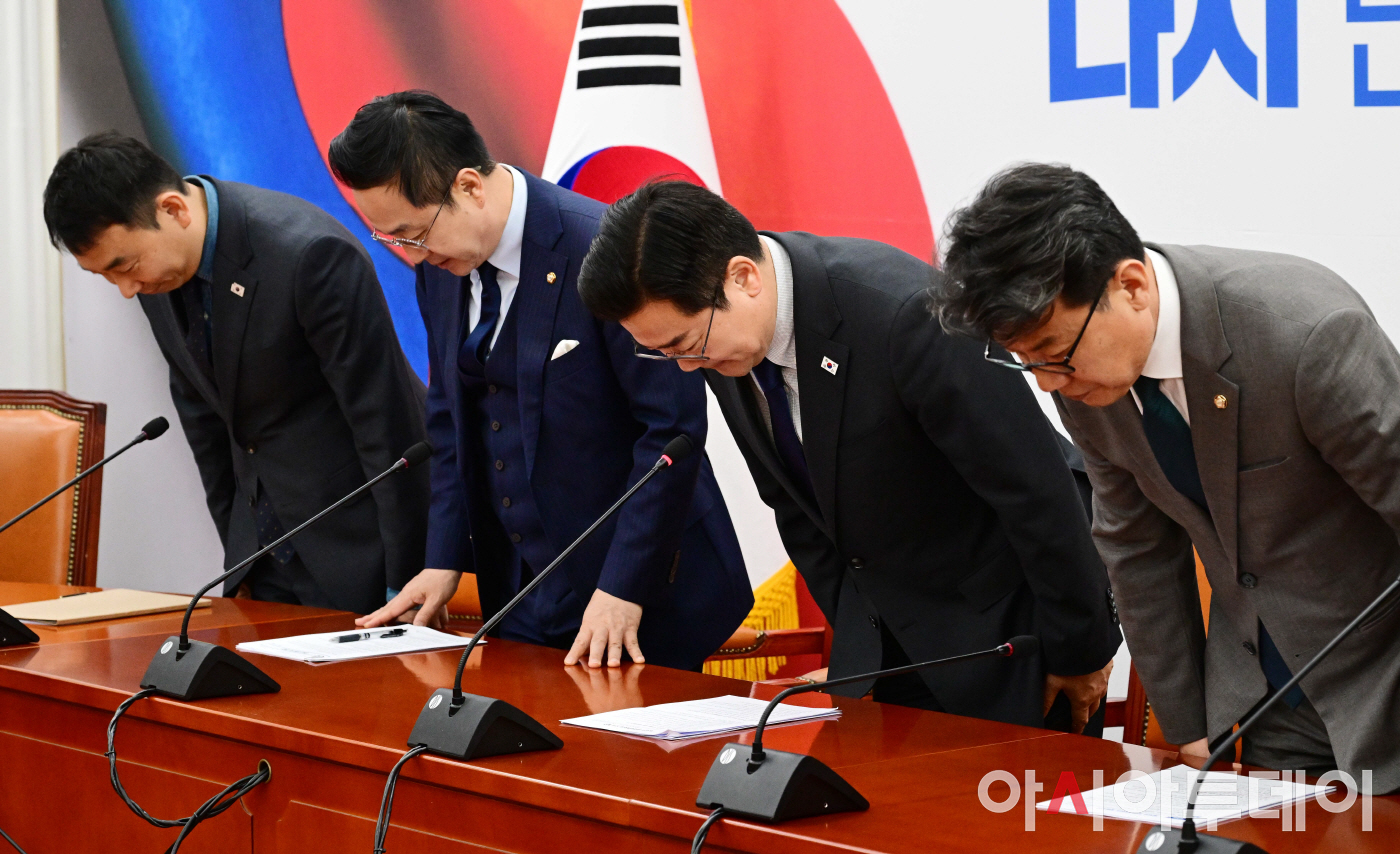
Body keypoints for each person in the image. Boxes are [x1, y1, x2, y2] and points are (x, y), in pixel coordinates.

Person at [576, 180, 1121, 733]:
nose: (687, 367)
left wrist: (1080, 651)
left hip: (1012, 640)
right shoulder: (727, 346)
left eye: (686, 345)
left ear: (743, 278)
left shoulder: (904, 313)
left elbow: (1036, 491)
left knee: (1019, 792)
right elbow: (796, 509)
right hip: (889, 658)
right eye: (664, 353)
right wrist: (860, 644)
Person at [932, 162, 1400, 791]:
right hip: (1262, 704)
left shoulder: (1305, 334)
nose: (1047, 384)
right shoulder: (1088, 379)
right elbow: (1137, 548)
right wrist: (1187, 724)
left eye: (1054, 355)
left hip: (1382, 680)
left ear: (1131, 286)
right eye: (1026, 363)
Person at [329, 92, 750, 671]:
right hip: (519, 593)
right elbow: (450, 419)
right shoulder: (443, 267)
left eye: (414, 234)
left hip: (640, 593)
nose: (413, 255)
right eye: (392, 240)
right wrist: (444, 557)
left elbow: (670, 433)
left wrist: (624, 585)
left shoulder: (601, 250)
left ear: (470, 187)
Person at [43, 132, 430, 614]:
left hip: (358, 549)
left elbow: (386, 424)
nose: (125, 289)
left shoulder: (309, 254)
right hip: (262, 559)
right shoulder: (156, 278)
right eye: (106, 275)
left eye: (126, 266)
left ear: (173, 210)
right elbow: (205, 423)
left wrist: (405, 577)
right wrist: (238, 558)